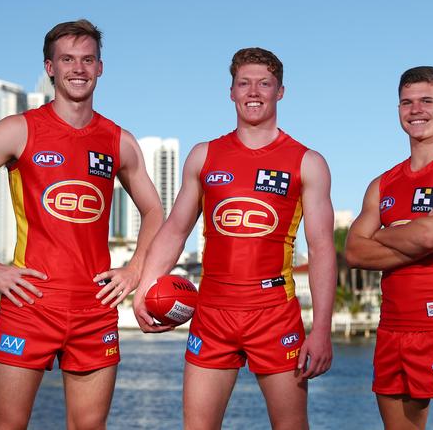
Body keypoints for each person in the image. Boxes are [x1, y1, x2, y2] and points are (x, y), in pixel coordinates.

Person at [0, 19, 163, 429]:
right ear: (49, 68)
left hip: (96, 307)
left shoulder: (118, 140)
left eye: (88, 59)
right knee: (6, 424)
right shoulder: (19, 130)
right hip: (30, 303)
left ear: (100, 67)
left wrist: (134, 268)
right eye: (68, 59)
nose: (79, 68)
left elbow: (154, 211)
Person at [133, 48, 336, 430]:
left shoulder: (307, 162)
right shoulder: (204, 156)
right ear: (231, 92)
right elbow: (176, 229)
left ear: (281, 92)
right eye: (244, 83)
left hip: (275, 313)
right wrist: (143, 290)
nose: (254, 91)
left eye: (264, 83)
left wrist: (321, 329)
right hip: (211, 313)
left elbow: (323, 249)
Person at [345, 66, 433, 430]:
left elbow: (429, 238)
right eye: (406, 102)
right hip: (392, 331)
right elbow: (354, 253)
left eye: (427, 101)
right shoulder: (383, 183)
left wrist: (385, 234)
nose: (416, 110)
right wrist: (418, 233)